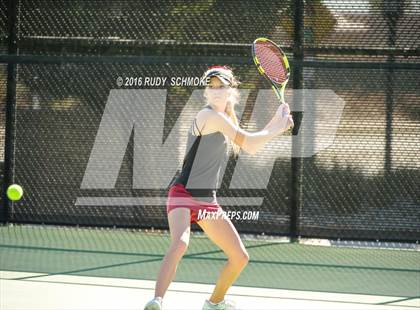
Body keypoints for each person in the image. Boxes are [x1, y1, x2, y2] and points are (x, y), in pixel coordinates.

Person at [144, 66, 293, 310]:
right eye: (210, 86)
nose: (215, 91)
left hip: (206, 201)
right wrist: (277, 126)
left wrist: (277, 123)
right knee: (180, 243)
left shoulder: (227, 119)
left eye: (220, 86)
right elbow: (248, 141)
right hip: (182, 192)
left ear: (231, 90)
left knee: (240, 257)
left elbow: (251, 145)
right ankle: (156, 300)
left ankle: (214, 302)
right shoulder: (207, 116)